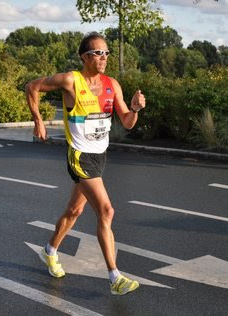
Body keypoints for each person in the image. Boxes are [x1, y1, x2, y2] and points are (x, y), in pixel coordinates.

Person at [25, 32, 145, 296]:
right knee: (106, 211)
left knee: (74, 212)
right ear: (85, 57)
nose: (103, 57)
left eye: (106, 53)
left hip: (100, 156)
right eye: (98, 53)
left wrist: (134, 109)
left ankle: (50, 251)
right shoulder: (71, 80)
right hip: (80, 156)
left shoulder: (112, 84)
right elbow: (31, 86)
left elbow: (126, 121)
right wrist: (38, 120)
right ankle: (115, 277)